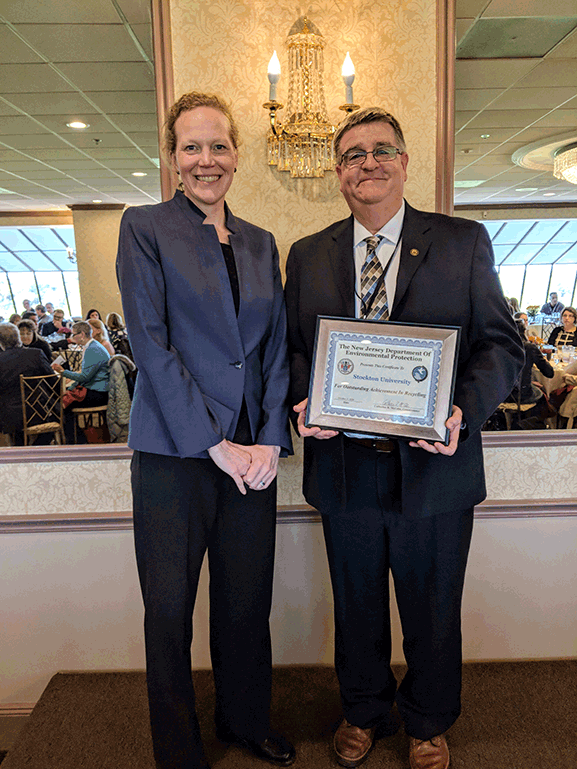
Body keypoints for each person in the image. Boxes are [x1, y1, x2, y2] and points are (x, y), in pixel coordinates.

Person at [284, 107, 524, 769]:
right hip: (343, 467)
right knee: (356, 603)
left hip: (434, 465)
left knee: (432, 603)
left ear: (404, 163)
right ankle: (362, 709)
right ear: (337, 173)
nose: (368, 162)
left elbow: (502, 346)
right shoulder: (307, 255)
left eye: (381, 149)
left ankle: (426, 720)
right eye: (353, 153)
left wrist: (461, 412)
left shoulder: (463, 242)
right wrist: (304, 395)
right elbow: (295, 350)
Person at [116, 91, 294, 769]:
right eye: (191, 146)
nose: (205, 159)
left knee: (246, 602)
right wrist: (214, 444)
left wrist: (269, 439)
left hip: (252, 453)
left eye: (218, 144)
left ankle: (245, 720)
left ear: (237, 154)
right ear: (172, 158)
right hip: (176, 454)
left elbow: (274, 346)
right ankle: (179, 749)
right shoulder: (144, 227)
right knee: (168, 611)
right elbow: (152, 346)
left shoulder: (259, 241)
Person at [51, 320, 110, 444]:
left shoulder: (93, 349)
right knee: (64, 402)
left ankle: (73, 441)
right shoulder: (92, 346)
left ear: (82, 335)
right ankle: (75, 439)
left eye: (74, 334)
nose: (72, 337)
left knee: (63, 406)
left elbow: (84, 377)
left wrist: (63, 372)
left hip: (98, 393)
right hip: (97, 389)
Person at [0, 321, 55, 445]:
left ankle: (19, 448)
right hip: (39, 412)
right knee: (60, 416)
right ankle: (37, 447)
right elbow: (52, 381)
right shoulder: (36, 354)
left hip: (9, 417)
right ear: (18, 338)